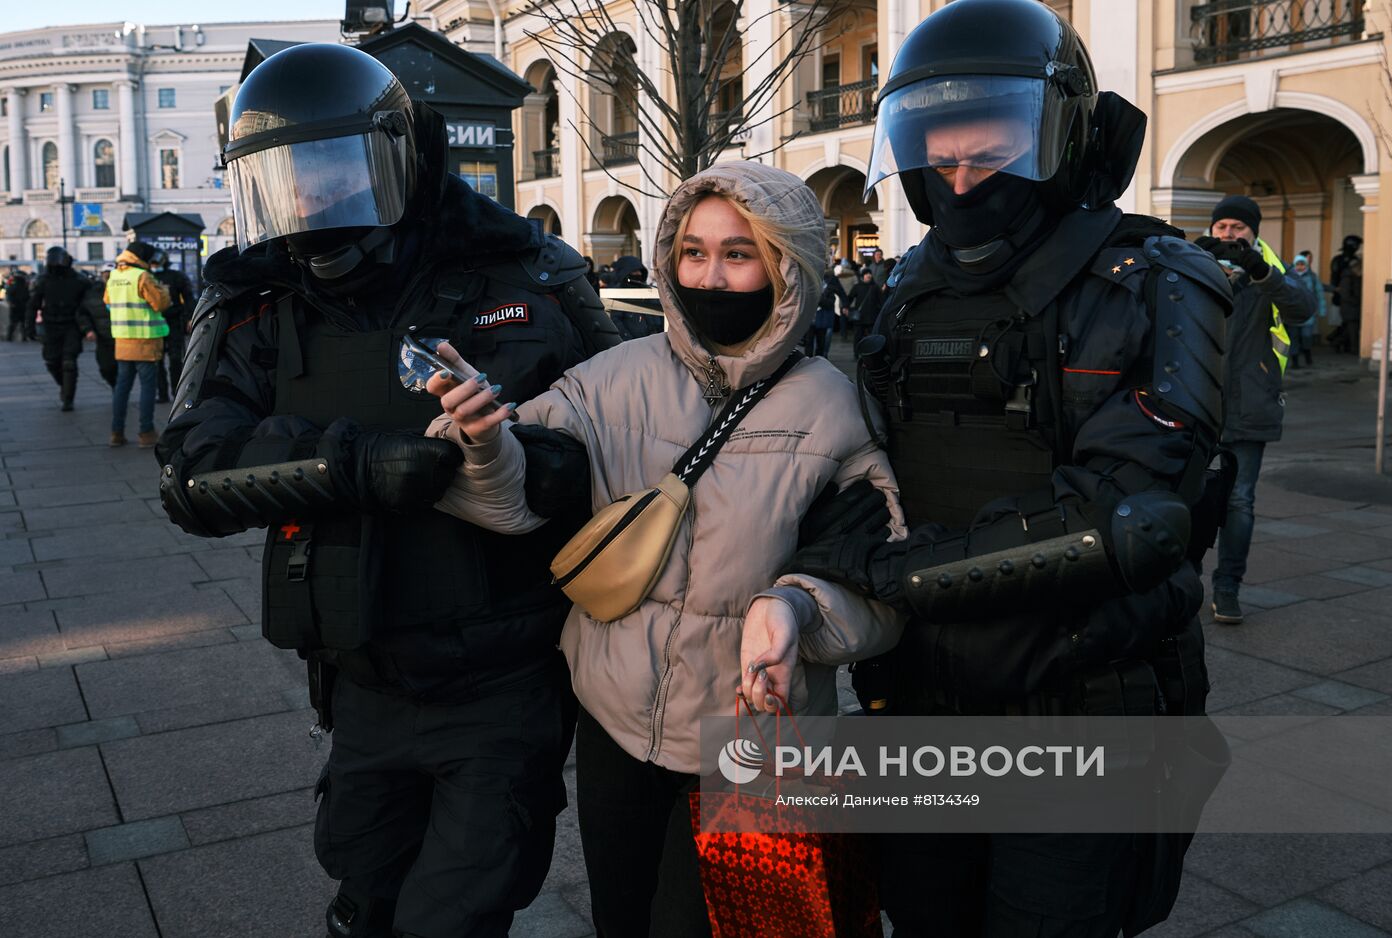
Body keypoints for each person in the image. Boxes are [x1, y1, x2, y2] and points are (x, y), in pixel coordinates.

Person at [154, 43, 619, 938]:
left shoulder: (531, 274)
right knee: (364, 900)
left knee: (456, 914)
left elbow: (624, 445)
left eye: (333, 172)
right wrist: (357, 465)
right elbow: (189, 477)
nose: (310, 204)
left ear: (401, 157)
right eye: (283, 181)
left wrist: (511, 459)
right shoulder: (257, 303)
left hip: (504, 677)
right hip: (360, 677)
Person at [790, 1, 1235, 934]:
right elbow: (862, 456)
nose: (960, 179)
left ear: (1057, 135)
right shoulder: (904, 292)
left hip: (1075, 708)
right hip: (918, 704)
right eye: (938, 156)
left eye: (988, 152)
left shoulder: (1159, 279)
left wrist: (899, 573)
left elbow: (1134, 518)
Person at [424, 161, 904, 938]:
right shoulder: (610, 378)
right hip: (613, 727)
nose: (710, 274)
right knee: (623, 918)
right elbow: (510, 499)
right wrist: (482, 443)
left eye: (739, 253)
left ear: (787, 265)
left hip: (751, 733)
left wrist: (797, 610)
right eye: (693, 252)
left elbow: (879, 591)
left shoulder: (835, 406)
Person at [1195, 195, 1314, 624]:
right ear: (1213, 229)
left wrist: (1261, 273)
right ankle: (1184, 581)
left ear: (1253, 232)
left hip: (1250, 402)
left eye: (1238, 228)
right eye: (1222, 226)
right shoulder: (1193, 259)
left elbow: (1302, 311)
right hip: (1194, 401)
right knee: (1184, 497)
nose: (1229, 234)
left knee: (1239, 503)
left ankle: (1227, 587)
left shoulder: (1270, 271)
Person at [107, 241, 171, 447]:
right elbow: (161, 304)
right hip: (145, 340)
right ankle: (146, 433)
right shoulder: (142, 276)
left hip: (122, 341)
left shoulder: (114, 276)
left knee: (122, 388)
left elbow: (107, 301)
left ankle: (116, 433)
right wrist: (164, 290)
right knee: (147, 388)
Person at [27, 247, 91, 411]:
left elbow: (90, 305)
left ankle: (68, 399)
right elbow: (33, 305)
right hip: (51, 325)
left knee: (69, 362)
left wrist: (89, 327)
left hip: (72, 325)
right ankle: (64, 386)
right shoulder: (44, 281)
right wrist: (30, 327)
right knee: (52, 361)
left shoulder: (79, 281)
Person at [150, 250, 195, 404]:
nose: (154, 266)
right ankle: (162, 394)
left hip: (174, 322)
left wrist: (190, 317)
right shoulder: (147, 276)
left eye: (156, 263)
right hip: (155, 322)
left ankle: (177, 392)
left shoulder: (176, 276)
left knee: (175, 359)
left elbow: (189, 296)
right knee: (158, 361)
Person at [1286, 253, 1324, 368]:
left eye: (1302, 264)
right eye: (1298, 264)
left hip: (1308, 313)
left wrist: (1321, 310)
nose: (1300, 267)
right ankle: (1295, 360)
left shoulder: (1312, 277)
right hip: (1292, 313)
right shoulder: (1289, 277)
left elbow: (1319, 294)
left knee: (1306, 336)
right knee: (1294, 338)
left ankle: (1307, 354)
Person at [1328, 234, 1362, 350]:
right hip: (1343, 297)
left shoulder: (1353, 260)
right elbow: (1334, 279)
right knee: (1346, 323)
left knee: (1348, 323)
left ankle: (1338, 340)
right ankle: (1336, 340)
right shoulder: (1340, 261)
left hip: (1346, 296)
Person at [808, 265, 846, 357]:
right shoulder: (808, 276)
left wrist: (845, 305)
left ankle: (823, 356)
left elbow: (840, 293)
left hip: (824, 315)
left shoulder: (830, 280)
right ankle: (813, 358)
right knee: (810, 341)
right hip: (811, 317)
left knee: (823, 338)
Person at [846, 267, 882, 347]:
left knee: (872, 336)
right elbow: (850, 298)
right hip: (859, 317)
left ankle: (871, 352)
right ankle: (857, 352)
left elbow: (881, 300)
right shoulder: (857, 286)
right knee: (858, 336)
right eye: (866, 274)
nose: (868, 275)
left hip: (872, 316)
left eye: (869, 274)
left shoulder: (875, 287)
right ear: (863, 276)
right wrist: (846, 307)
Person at [5, 270, 32, 341]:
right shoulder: (25, 287)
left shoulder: (13, 286)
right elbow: (28, 297)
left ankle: (10, 337)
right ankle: (24, 337)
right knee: (22, 323)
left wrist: (12, 304)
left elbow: (9, 296)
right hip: (22, 307)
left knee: (14, 324)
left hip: (16, 307)